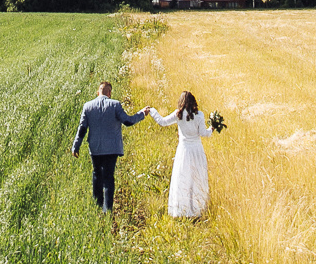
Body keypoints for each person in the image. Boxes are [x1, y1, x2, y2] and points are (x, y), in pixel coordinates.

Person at [71, 81, 151, 212]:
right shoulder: (115, 105)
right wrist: (142, 113)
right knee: (108, 177)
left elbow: (82, 129)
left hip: (95, 148)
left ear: (98, 93)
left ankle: (97, 206)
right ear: (109, 93)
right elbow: (128, 121)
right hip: (112, 149)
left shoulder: (87, 106)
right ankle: (107, 209)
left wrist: (76, 147)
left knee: (97, 174)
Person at [152, 90, 214, 218]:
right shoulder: (199, 115)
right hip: (196, 150)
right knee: (197, 178)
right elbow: (204, 133)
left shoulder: (178, 114)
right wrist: (212, 128)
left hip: (184, 150)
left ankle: (182, 210)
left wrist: (152, 111)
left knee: (183, 178)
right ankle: (197, 209)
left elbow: (162, 122)